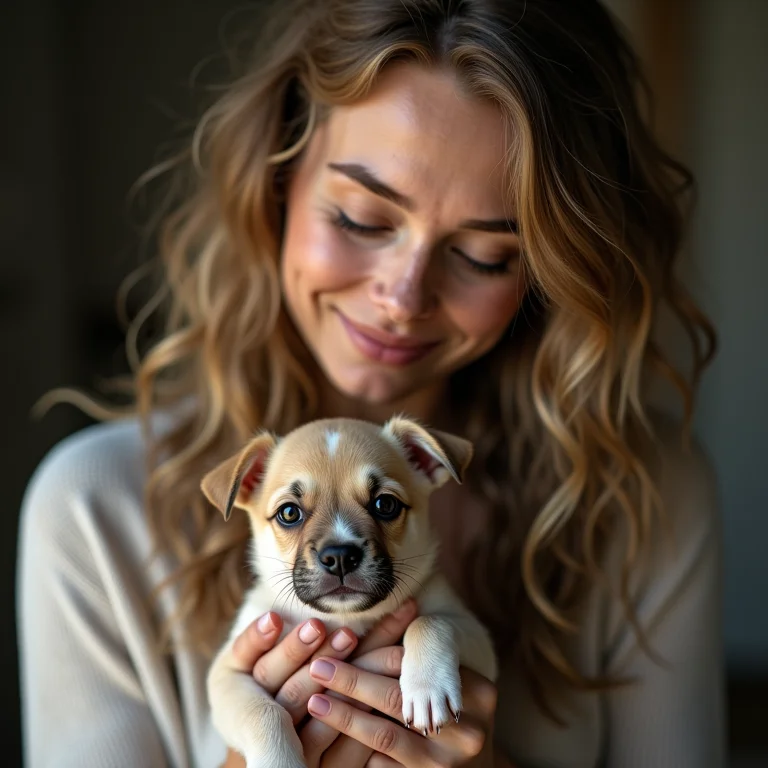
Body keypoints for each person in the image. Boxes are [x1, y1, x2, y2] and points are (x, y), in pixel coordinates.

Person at [16, 0, 727, 766]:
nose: (403, 296)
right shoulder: (93, 511)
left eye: (486, 254)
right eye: (360, 216)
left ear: (548, 273)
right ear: (278, 178)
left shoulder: (644, 502)